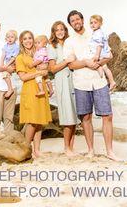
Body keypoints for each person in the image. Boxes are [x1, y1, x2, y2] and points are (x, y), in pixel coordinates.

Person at [63, 10, 117, 161]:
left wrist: (97, 64)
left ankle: (110, 151)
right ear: (70, 24)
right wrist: (86, 63)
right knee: (86, 117)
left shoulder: (96, 33)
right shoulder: (69, 42)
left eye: (77, 19)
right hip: (80, 83)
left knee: (107, 116)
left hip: (99, 81)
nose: (76, 22)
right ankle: (91, 150)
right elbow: (71, 64)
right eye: (72, 21)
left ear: (82, 19)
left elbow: (108, 56)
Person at [15, 30, 52, 159]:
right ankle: (26, 148)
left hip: (41, 89)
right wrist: (38, 73)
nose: (28, 41)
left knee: (39, 121)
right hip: (30, 90)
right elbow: (23, 77)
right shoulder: (20, 57)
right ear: (21, 41)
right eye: (25, 39)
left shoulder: (38, 54)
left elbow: (45, 69)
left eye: (30, 38)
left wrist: (46, 77)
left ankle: (37, 150)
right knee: (32, 121)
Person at [47, 21, 77, 156]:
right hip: (62, 81)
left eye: (62, 29)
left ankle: (71, 147)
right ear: (53, 33)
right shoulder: (52, 46)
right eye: (56, 30)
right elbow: (52, 69)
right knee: (67, 115)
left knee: (75, 115)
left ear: (65, 30)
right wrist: (66, 61)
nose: (59, 32)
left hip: (75, 80)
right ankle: (66, 147)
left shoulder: (70, 43)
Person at [88, 14, 116, 91]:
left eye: (95, 22)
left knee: (96, 63)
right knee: (106, 68)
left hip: (100, 53)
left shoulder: (98, 33)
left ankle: (99, 70)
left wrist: (97, 55)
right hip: (103, 52)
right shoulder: (97, 32)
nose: (93, 24)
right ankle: (112, 81)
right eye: (91, 23)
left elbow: (99, 44)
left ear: (100, 24)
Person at [0, 30, 19, 98]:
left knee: (5, 73)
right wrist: (1, 65)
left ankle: (10, 89)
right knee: (4, 74)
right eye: (8, 37)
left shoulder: (16, 47)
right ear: (6, 39)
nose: (10, 38)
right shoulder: (5, 46)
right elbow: (3, 56)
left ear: (16, 39)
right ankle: (9, 88)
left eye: (12, 37)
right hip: (7, 63)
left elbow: (13, 58)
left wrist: (6, 65)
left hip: (13, 62)